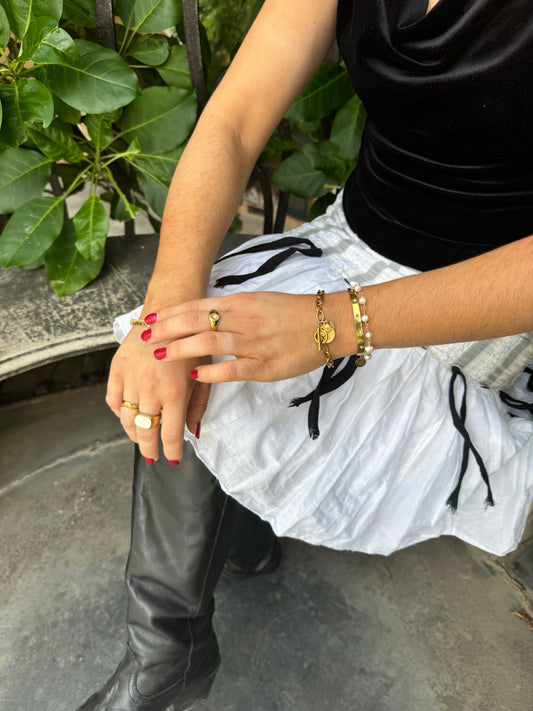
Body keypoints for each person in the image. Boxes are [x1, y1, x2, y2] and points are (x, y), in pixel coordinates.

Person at [76, 0, 533, 709]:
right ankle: (166, 649)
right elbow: (234, 119)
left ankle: (227, 546)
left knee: (224, 354)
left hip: (480, 306)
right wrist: (164, 317)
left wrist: (332, 322)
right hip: (352, 243)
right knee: (192, 338)